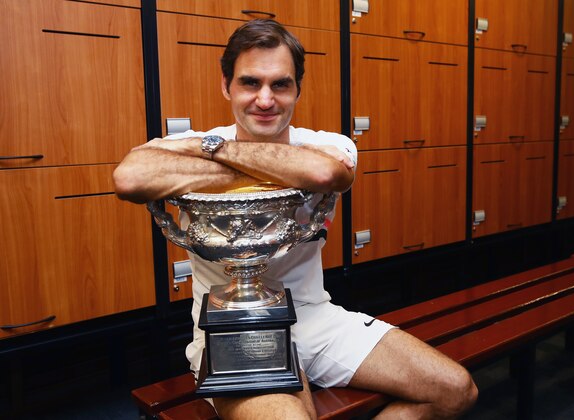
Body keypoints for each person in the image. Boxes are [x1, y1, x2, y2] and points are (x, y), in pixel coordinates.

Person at [114, 19, 477, 419]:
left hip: (314, 317)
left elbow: (325, 173)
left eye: (280, 85)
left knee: (454, 389)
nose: (265, 100)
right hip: (230, 328)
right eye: (250, 83)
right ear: (226, 86)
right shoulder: (202, 141)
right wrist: (245, 155)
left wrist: (205, 153)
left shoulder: (327, 145)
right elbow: (129, 177)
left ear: (297, 89)